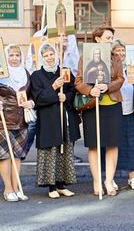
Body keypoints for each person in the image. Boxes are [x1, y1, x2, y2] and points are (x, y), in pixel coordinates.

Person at [75, 28, 124, 197]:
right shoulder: (85, 57)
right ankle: (96, 180)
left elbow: (120, 79)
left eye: (112, 37)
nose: (111, 40)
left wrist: (108, 86)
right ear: (97, 39)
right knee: (94, 144)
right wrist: (90, 90)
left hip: (112, 104)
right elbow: (78, 81)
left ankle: (109, 180)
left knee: (112, 143)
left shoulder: (115, 58)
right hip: (93, 105)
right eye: (107, 37)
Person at [31, 43, 80, 199]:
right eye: (45, 55)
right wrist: (53, 87)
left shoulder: (64, 71)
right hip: (49, 120)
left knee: (65, 150)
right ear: (41, 58)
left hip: (65, 118)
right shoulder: (37, 76)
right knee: (51, 152)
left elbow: (74, 90)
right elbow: (38, 98)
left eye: (51, 54)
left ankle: (61, 184)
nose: (49, 57)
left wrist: (66, 97)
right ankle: (51, 186)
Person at [0, 45, 32, 202]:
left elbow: (32, 95)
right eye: (11, 55)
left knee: (18, 155)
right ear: (6, 57)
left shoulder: (26, 73)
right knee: (5, 156)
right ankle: (8, 189)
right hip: (3, 120)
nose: (14, 58)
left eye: (17, 55)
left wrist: (31, 103)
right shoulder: (1, 74)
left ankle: (17, 186)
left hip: (21, 120)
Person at [112, 41, 134, 190]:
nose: (120, 54)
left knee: (131, 145)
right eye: (117, 51)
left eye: (123, 51)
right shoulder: (110, 69)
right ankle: (111, 178)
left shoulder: (131, 68)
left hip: (129, 110)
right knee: (113, 145)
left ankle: (132, 178)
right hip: (113, 111)